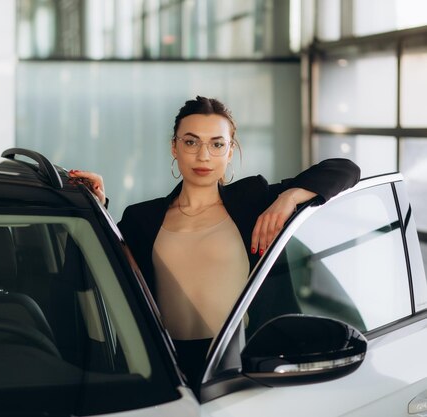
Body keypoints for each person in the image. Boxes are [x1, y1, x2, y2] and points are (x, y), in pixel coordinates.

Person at [69, 96, 360, 387]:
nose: (203, 156)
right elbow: (105, 267)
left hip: (242, 363)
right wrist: (97, 206)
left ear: (230, 151)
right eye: (191, 142)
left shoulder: (253, 200)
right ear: (175, 147)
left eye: (217, 144)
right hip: (165, 368)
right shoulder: (142, 218)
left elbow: (345, 169)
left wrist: (288, 198)